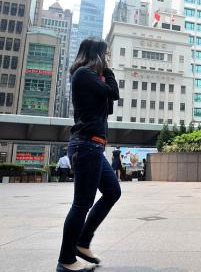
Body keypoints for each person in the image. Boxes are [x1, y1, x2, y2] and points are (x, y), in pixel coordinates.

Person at [57, 38, 121, 272]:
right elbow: (114, 93)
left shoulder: (91, 78)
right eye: (106, 54)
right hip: (86, 145)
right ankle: (65, 260)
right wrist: (108, 70)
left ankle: (82, 242)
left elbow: (108, 104)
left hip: (94, 146)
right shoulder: (83, 74)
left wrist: (104, 73)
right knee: (82, 203)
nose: (108, 58)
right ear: (97, 55)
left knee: (113, 191)